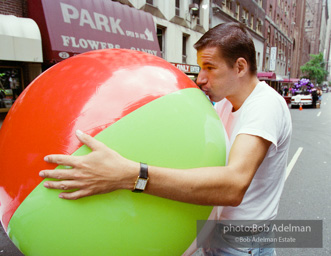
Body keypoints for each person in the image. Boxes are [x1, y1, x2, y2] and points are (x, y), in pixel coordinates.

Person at [39, 22, 292, 255]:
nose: (200, 78)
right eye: (201, 68)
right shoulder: (224, 104)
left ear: (239, 67)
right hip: (214, 235)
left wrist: (128, 175)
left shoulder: (265, 106)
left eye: (210, 68)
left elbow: (233, 186)